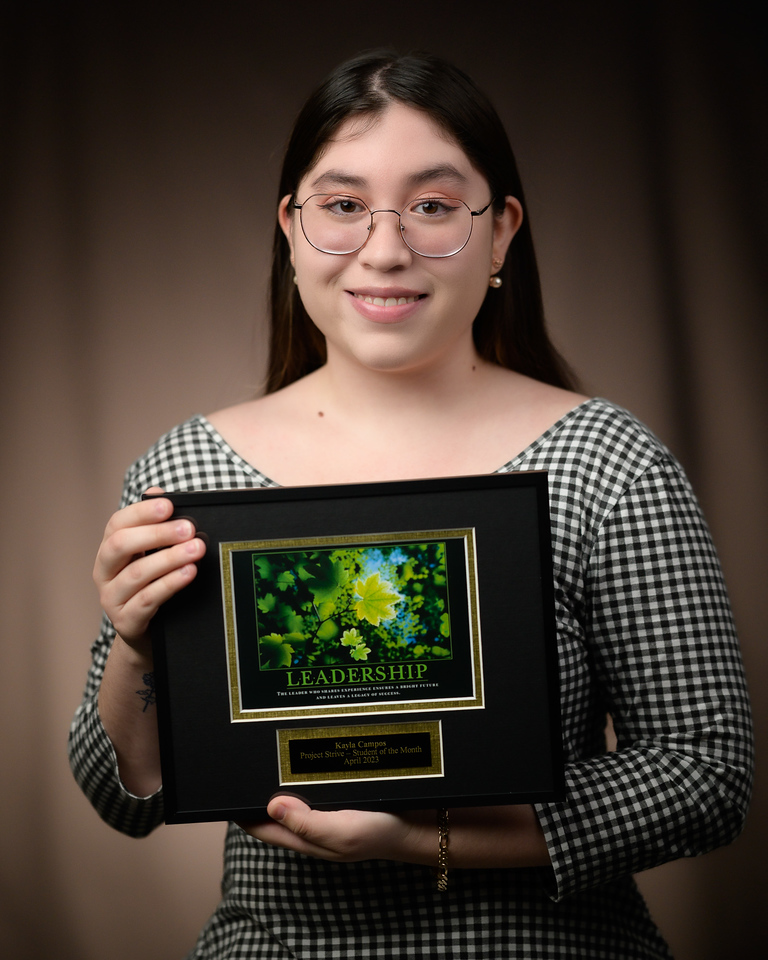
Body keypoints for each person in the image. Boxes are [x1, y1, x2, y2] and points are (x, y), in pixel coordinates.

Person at [70, 51, 753, 959]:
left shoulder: (607, 463)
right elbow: (127, 796)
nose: (384, 249)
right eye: (343, 206)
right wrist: (134, 638)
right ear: (291, 226)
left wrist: (424, 840)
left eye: (433, 206)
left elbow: (703, 775)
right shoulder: (193, 470)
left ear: (502, 231)